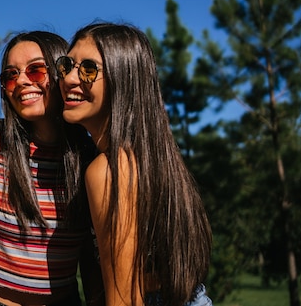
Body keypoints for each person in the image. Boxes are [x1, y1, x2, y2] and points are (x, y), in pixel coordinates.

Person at [56, 22, 212, 306]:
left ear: (123, 78)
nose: (68, 79)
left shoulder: (110, 170)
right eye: (67, 65)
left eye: (88, 69)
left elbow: (125, 299)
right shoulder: (151, 155)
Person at [0, 31, 102, 306]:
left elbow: (90, 254)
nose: (22, 82)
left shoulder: (89, 158)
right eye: (11, 75)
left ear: (62, 72)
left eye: (36, 70)